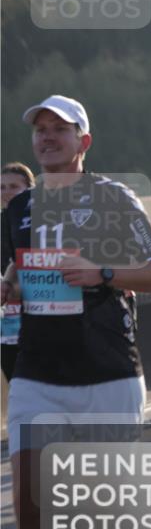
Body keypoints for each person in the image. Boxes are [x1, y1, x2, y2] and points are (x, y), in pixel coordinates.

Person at [3, 95, 151, 529]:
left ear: (84, 141)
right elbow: (18, 272)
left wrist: (102, 273)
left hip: (108, 371)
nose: (47, 137)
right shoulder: (19, 206)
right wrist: (8, 285)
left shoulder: (113, 198)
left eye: (59, 128)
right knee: (33, 510)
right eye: (40, 129)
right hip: (37, 374)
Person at [1, 163, 35, 383]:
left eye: (14, 186)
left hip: (38, 326)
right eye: (2, 187)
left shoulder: (41, 223)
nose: (7, 192)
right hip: (5, 330)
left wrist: (12, 288)